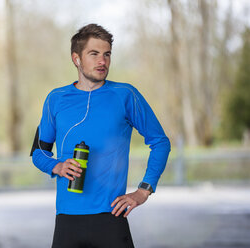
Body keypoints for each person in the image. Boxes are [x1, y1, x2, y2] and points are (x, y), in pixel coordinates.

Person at [30, 23, 171, 248]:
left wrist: (144, 190)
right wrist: (56, 166)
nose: (102, 61)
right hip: (67, 219)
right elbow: (38, 152)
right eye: (94, 54)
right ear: (76, 59)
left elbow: (160, 142)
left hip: (111, 217)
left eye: (107, 55)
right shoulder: (55, 99)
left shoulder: (125, 95)